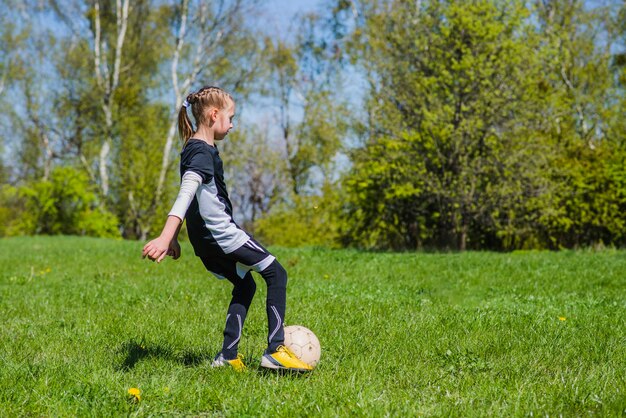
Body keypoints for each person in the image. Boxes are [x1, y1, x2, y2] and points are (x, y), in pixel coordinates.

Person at [142, 86, 312, 372]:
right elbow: (186, 193)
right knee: (276, 272)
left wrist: (177, 236)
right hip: (222, 234)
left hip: (205, 241)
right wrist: (166, 235)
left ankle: (227, 357)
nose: (232, 124)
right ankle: (275, 350)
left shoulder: (195, 148)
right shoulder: (200, 152)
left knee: (245, 285)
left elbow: (196, 197)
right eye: (230, 117)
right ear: (213, 114)